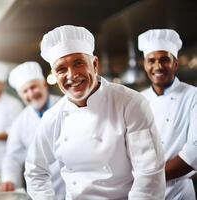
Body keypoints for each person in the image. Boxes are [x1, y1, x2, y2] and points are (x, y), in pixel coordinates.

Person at [24, 25, 166, 199]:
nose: (72, 75)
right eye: (61, 69)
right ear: (54, 74)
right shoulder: (52, 117)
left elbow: (149, 173)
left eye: (78, 63)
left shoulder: (130, 103)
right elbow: (34, 170)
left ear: (95, 64)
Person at [139, 29, 197, 200]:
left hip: (179, 192)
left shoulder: (193, 96)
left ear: (175, 64)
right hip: (143, 193)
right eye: (151, 60)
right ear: (145, 65)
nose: (158, 66)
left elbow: (194, 150)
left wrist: (149, 178)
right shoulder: (137, 99)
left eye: (165, 59)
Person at [0, 61, 65, 199]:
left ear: (44, 85)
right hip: (41, 191)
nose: (31, 94)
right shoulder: (20, 122)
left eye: (33, 87)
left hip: (73, 186)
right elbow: (12, 157)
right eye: (25, 91)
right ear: (20, 95)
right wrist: (8, 179)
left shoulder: (66, 106)